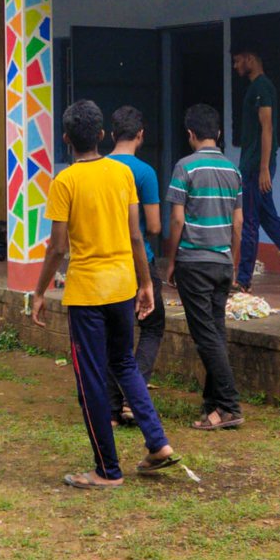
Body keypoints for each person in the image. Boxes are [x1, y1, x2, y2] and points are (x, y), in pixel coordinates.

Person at [31, 100, 177, 489]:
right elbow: (135, 235)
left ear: (65, 139)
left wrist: (39, 290)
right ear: (101, 135)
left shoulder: (64, 182)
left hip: (87, 293)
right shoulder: (121, 174)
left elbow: (57, 247)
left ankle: (107, 470)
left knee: (91, 380)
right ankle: (158, 444)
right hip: (122, 285)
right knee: (124, 364)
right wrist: (145, 283)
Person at [162, 104, 245, 430]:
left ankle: (228, 405)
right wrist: (234, 263)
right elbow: (238, 223)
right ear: (219, 134)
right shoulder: (233, 172)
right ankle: (213, 405)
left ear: (190, 135)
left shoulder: (185, 168)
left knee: (205, 335)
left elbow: (178, 218)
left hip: (194, 262)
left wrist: (170, 261)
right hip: (223, 261)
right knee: (215, 331)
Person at [106, 105, 164, 426]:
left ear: (112, 135)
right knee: (153, 326)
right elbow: (153, 226)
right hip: (139, 262)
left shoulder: (99, 168)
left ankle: (113, 410)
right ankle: (134, 394)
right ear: (141, 135)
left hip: (107, 261)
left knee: (114, 335)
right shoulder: (144, 172)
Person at [231, 45, 280, 292]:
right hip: (253, 164)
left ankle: (243, 280)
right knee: (269, 219)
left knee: (250, 220)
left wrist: (263, 169)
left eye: (238, 61)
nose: (235, 66)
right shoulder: (256, 88)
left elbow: (267, 128)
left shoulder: (261, 87)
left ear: (250, 58)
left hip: (255, 167)